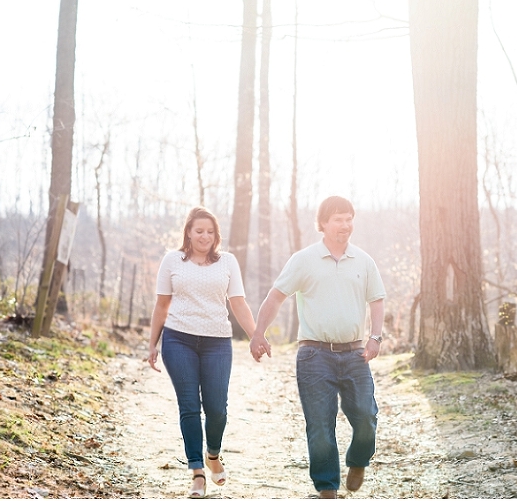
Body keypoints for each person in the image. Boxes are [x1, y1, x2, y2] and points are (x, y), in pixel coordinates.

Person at [249, 195, 386, 499]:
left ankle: (358, 459)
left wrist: (375, 337)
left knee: (366, 417)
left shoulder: (364, 261)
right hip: (314, 355)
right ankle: (327, 488)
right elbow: (275, 297)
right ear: (323, 223)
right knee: (320, 426)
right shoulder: (304, 259)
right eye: (338, 219)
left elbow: (377, 300)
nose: (345, 225)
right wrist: (259, 333)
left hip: (355, 353)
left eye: (349, 219)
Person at [146, 207, 257, 498]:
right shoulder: (172, 260)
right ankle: (196, 471)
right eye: (199, 231)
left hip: (217, 342)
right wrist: (152, 344)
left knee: (217, 408)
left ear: (216, 235)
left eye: (210, 231)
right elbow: (162, 305)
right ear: (188, 232)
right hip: (178, 340)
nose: (204, 236)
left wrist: (256, 335)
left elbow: (238, 303)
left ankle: (213, 454)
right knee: (189, 406)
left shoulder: (227, 262)